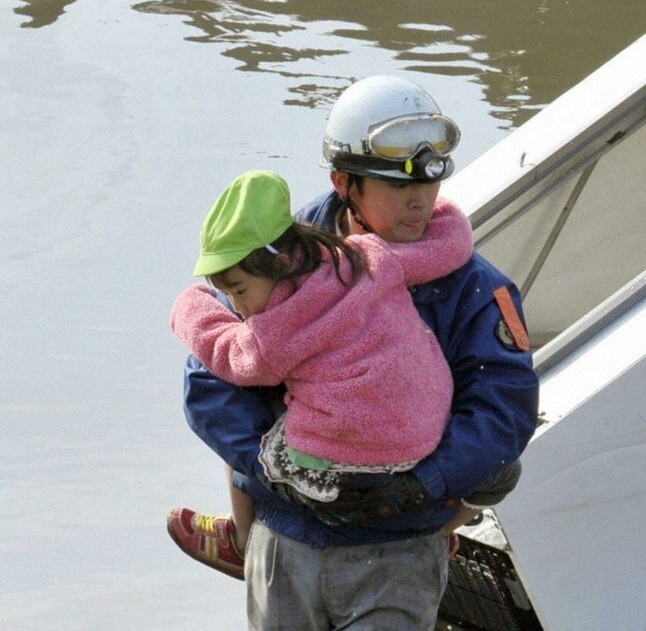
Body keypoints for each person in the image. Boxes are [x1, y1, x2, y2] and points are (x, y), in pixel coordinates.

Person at [167, 75, 539, 629]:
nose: (421, 202)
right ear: (344, 182)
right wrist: (279, 478)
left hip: (399, 547)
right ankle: (242, 539)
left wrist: (418, 486)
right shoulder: (277, 258)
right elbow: (211, 377)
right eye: (397, 189)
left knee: (500, 470)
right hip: (286, 536)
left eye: (431, 185)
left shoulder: (477, 291)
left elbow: (504, 411)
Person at [169, 167, 481, 551]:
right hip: (424, 441)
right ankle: (438, 534)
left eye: (238, 290)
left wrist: (189, 303)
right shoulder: (366, 255)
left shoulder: (274, 333)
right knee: (499, 473)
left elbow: (230, 354)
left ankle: (241, 537)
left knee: (248, 433)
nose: (239, 307)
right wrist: (439, 208)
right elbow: (445, 249)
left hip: (337, 471)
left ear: (281, 265)